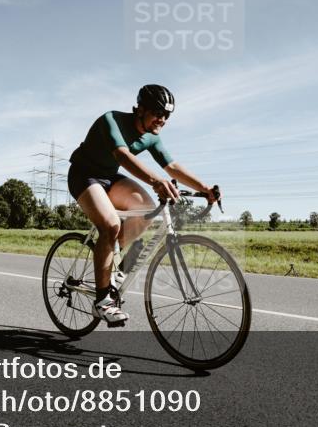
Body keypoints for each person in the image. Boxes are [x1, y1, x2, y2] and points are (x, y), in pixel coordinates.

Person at [67, 84, 218, 326]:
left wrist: (205, 188)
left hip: (108, 177)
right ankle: (102, 301)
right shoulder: (111, 120)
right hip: (83, 175)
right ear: (140, 109)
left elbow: (172, 167)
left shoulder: (151, 137)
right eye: (158, 113)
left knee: (147, 210)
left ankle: (113, 265)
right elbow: (122, 156)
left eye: (167, 115)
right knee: (111, 225)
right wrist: (156, 181)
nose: (163, 120)